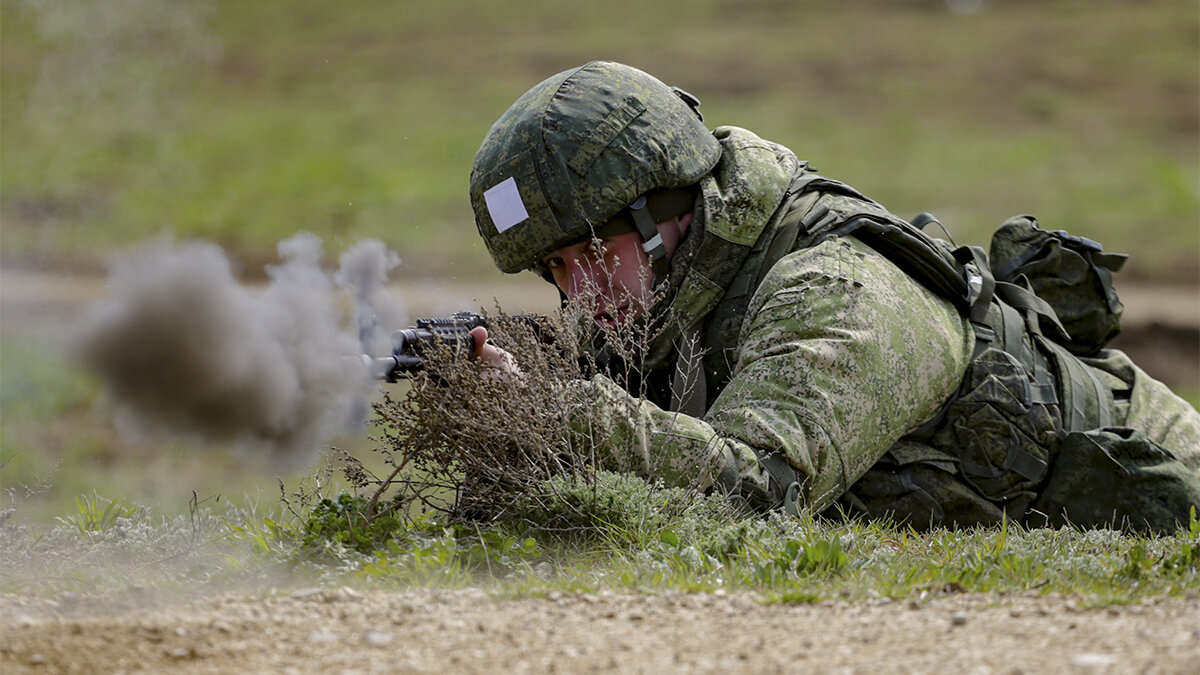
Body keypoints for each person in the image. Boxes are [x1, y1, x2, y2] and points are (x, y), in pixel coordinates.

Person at [464, 61, 1200, 532]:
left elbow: (760, 496)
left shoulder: (831, 285)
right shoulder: (662, 299)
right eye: (555, 268)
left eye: (591, 251)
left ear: (663, 214)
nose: (578, 291)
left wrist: (558, 413)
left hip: (1160, 479)